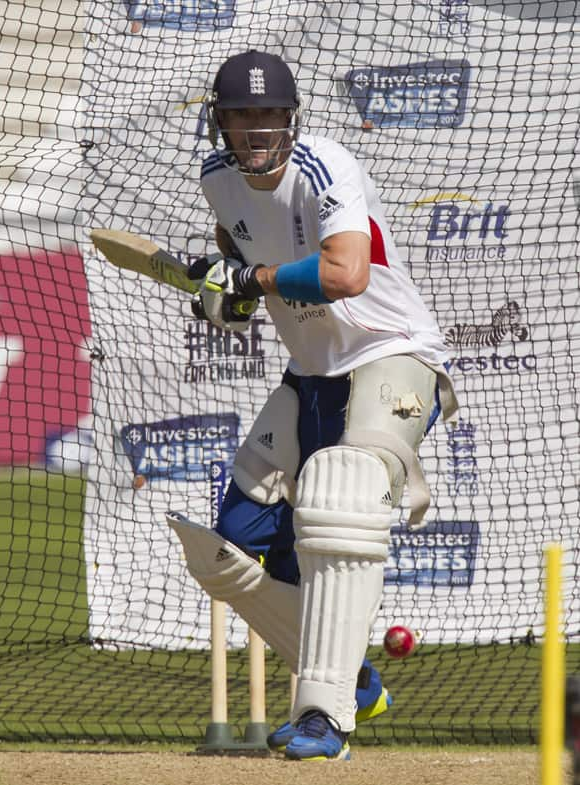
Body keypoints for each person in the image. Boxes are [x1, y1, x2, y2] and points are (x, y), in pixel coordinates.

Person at [174, 49, 458, 761]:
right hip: (314, 370)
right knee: (228, 549)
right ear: (221, 123)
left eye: (268, 113)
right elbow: (239, 257)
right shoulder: (217, 182)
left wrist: (255, 277)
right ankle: (351, 674)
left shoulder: (324, 166)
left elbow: (346, 271)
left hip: (391, 349)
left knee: (343, 492)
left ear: (291, 119)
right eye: (241, 115)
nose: (256, 128)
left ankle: (322, 719)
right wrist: (227, 295)